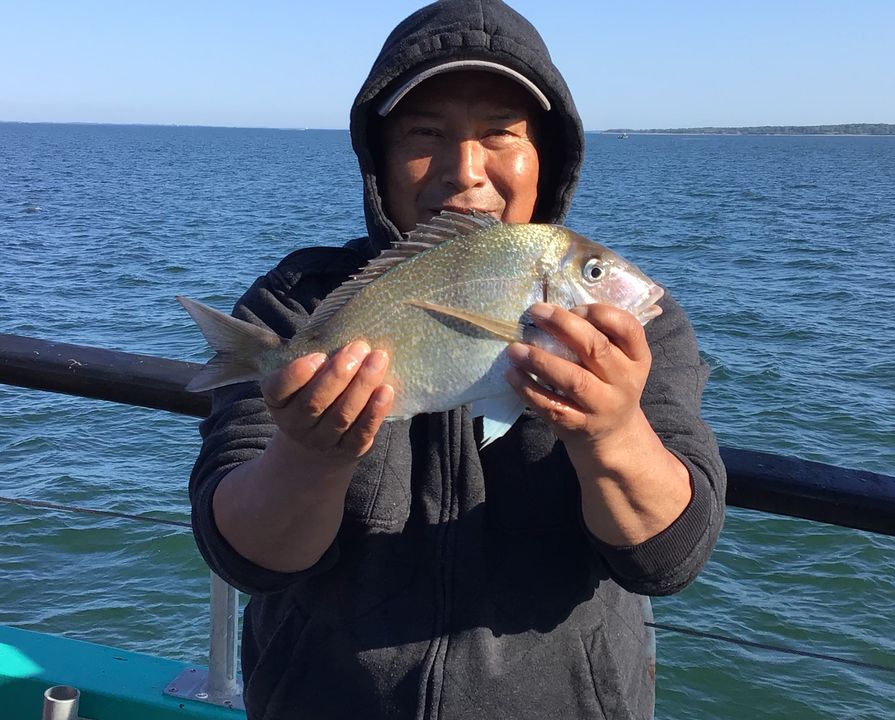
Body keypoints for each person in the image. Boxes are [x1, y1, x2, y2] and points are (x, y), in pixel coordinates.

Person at [189, 1, 726, 718]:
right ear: (378, 157)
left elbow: (669, 558)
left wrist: (612, 433)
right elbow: (242, 555)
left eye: (500, 133)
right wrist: (308, 457)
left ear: (547, 156)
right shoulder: (296, 305)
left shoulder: (633, 333)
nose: (464, 171)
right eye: (425, 133)